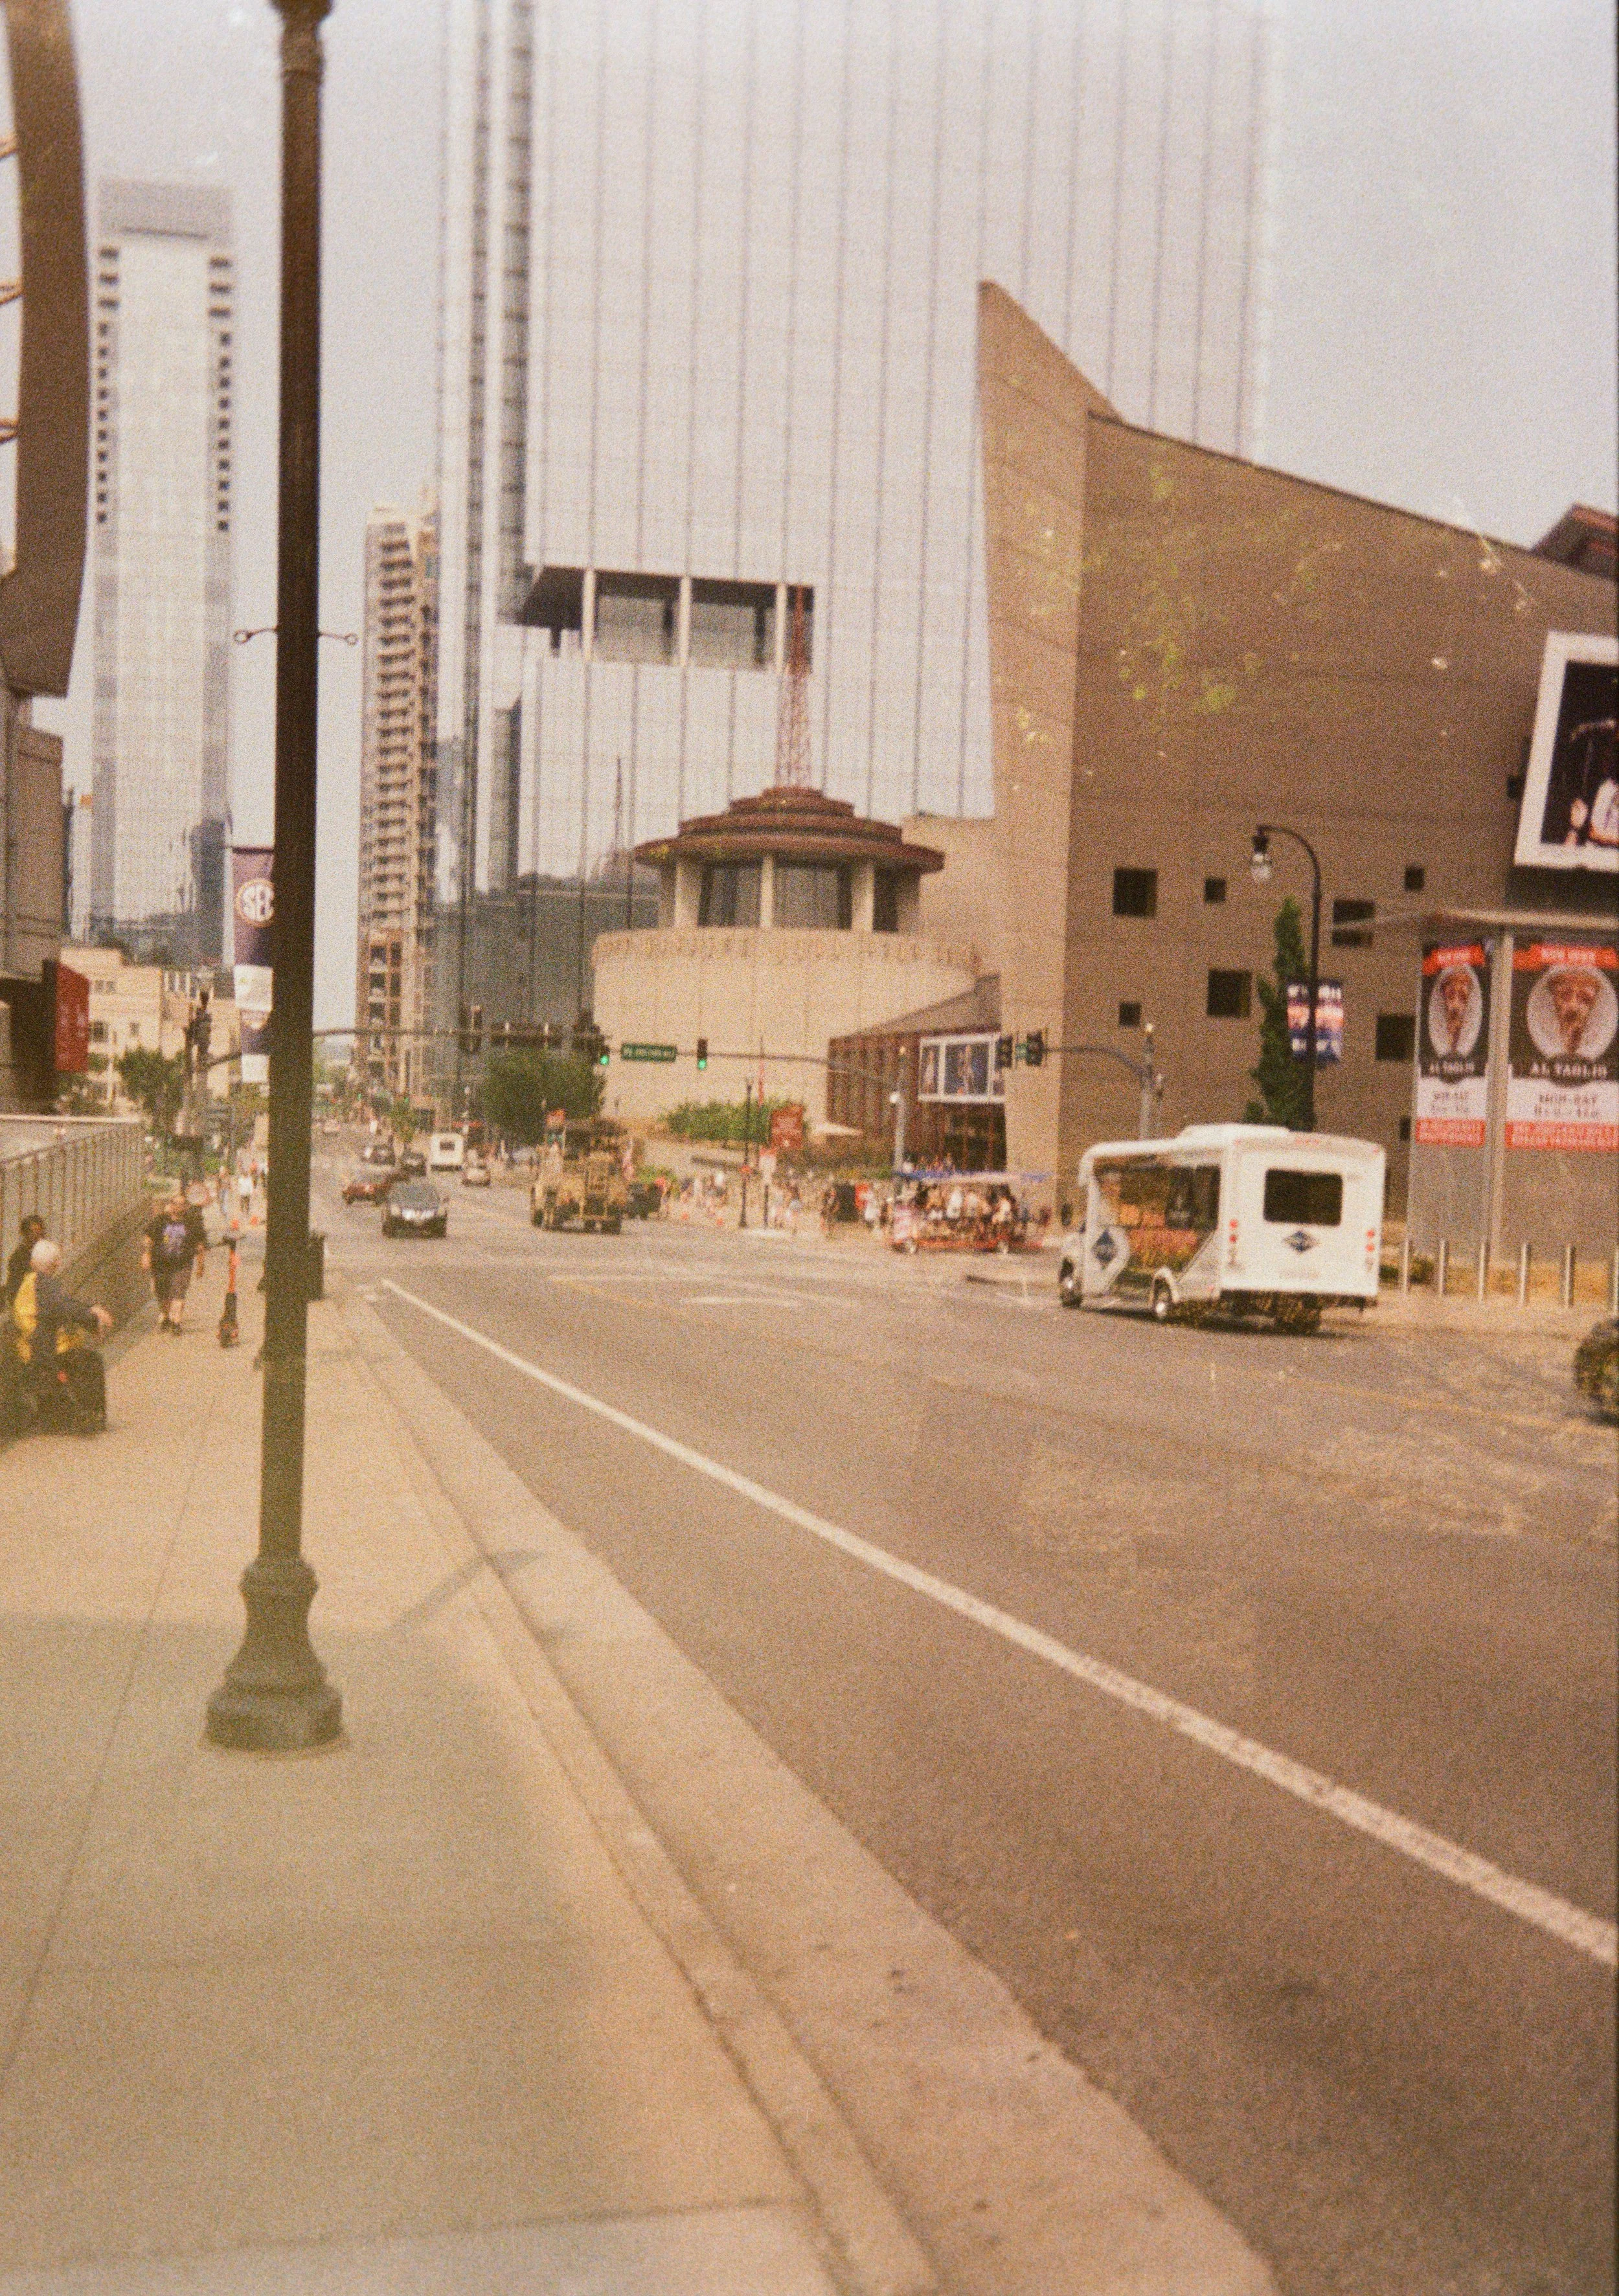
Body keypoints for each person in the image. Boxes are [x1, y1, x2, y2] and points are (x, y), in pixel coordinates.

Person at [11, 1239, 111, 1430]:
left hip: (36, 1346)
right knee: (90, 1361)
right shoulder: (44, 1283)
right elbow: (62, 1307)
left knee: (83, 1359)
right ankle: (92, 1414)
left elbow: (66, 1304)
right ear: (55, 1263)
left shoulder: (32, 1282)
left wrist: (91, 1311)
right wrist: (92, 1318)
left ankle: (79, 1413)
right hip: (44, 1349)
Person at [142, 1191, 208, 1334]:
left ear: (186, 1207)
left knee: (178, 1293)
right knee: (162, 1294)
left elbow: (200, 1246)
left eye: (182, 1204)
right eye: (175, 1204)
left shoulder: (192, 1223)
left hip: (182, 1264)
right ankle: (166, 1315)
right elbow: (148, 1238)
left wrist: (200, 1266)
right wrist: (146, 1256)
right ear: (170, 1205)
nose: (178, 1207)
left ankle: (176, 1322)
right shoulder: (160, 1220)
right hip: (160, 1264)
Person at [5, 1213, 45, 1310]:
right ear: (25, 1234)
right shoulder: (19, 1257)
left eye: (40, 1233)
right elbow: (15, 1287)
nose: (37, 1237)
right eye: (33, 1233)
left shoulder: (43, 1253)